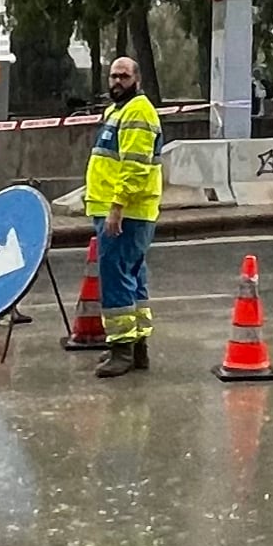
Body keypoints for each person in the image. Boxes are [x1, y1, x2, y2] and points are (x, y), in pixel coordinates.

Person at [84, 55, 162, 376]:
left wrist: (117, 206)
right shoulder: (117, 110)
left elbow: (134, 167)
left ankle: (121, 351)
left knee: (116, 278)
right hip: (117, 209)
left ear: (137, 79)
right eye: (114, 76)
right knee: (132, 279)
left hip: (125, 212)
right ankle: (137, 348)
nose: (117, 82)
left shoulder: (138, 111)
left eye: (124, 77)